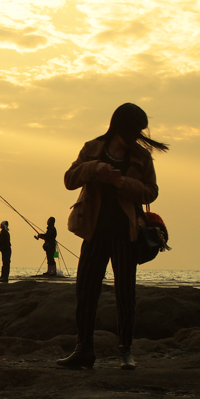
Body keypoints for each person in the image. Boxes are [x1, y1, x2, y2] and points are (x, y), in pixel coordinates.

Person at [57, 103, 168, 371]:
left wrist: (123, 183)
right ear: (122, 125)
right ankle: (83, 350)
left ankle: (125, 352)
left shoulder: (142, 157)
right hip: (93, 230)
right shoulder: (92, 149)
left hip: (126, 232)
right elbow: (69, 179)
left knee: (125, 293)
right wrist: (94, 168)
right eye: (136, 128)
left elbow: (151, 192)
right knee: (85, 290)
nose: (140, 133)